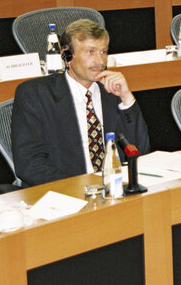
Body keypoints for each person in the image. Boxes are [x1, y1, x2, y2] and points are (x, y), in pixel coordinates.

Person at [11, 19, 150, 187]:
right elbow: (29, 164)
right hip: (66, 193)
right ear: (67, 56)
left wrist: (127, 99)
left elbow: (140, 152)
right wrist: (83, 186)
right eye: (90, 52)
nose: (100, 61)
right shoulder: (35, 94)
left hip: (115, 189)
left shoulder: (112, 92)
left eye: (104, 52)